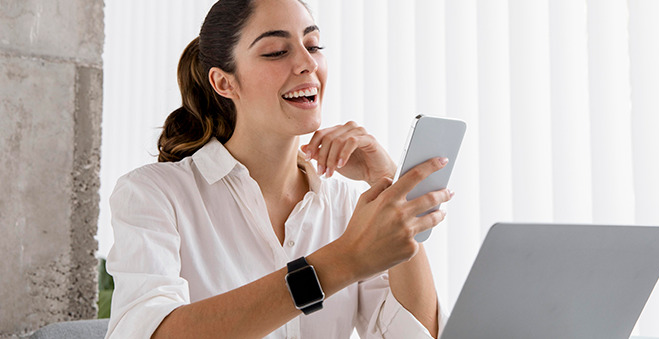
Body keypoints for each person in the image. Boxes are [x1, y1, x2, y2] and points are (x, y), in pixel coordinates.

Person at [104, 0, 451, 338]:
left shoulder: (346, 205)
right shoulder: (153, 195)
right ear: (225, 83)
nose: (306, 63)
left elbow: (413, 334)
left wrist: (394, 190)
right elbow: (147, 332)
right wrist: (342, 261)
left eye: (313, 45)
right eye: (276, 52)